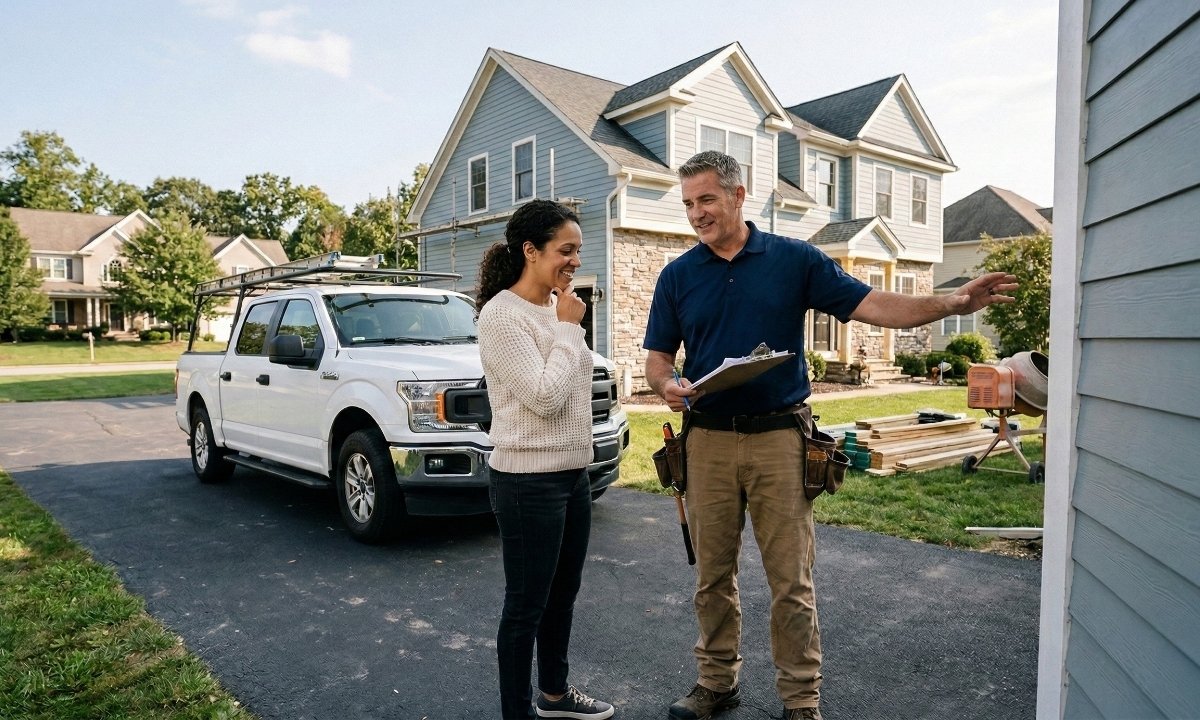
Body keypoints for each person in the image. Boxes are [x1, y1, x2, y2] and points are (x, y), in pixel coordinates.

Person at [643, 151, 1017, 720]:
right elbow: (657, 360)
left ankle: (801, 700)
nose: (697, 213)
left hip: (778, 439)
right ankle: (716, 683)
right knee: (711, 575)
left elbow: (876, 304)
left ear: (738, 196)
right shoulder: (677, 275)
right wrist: (668, 385)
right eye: (690, 203)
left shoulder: (794, 260)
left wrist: (954, 301)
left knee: (790, 581)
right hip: (708, 440)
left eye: (707, 200)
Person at [476, 199, 616, 720]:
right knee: (525, 607)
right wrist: (567, 329)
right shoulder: (501, 315)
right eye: (566, 250)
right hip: (526, 481)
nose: (574, 261)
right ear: (530, 251)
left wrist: (565, 326)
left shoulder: (558, 311)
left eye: (578, 250)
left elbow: (576, 396)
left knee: (563, 595)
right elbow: (544, 396)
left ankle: (554, 696)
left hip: (571, 474)